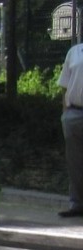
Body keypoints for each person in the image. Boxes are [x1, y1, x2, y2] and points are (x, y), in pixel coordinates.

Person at [58, 42, 83, 218]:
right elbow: (64, 86)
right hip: (74, 113)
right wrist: (65, 114)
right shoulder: (74, 52)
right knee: (75, 162)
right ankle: (77, 205)